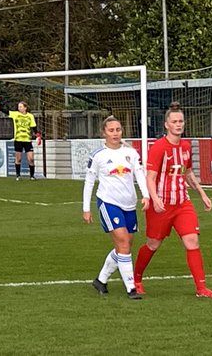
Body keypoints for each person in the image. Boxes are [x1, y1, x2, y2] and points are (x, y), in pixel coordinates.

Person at [132, 102, 212, 299]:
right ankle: (136, 279)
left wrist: (202, 194)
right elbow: (150, 178)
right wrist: (155, 199)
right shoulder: (159, 147)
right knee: (153, 244)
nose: (178, 124)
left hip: (182, 204)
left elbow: (188, 173)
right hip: (161, 205)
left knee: (192, 241)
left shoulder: (186, 147)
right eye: (174, 121)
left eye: (181, 121)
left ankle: (201, 288)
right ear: (166, 125)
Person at [82, 116, 149, 300]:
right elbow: (89, 182)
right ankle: (131, 288)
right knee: (123, 242)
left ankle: (101, 280)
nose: (115, 133)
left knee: (125, 245)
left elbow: (139, 175)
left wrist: (146, 195)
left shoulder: (131, 153)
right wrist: (86, 208)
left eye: (118, 130)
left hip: (129, 204)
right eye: (111, 130)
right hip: (108, 202)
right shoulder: (98, 156)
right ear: (104, 133)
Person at [0, 101, 37, 180]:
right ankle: (18, 175)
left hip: (27, 140)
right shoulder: (16, 114)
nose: (19, 108)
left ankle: (32, 176)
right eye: (18, 107)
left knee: (31, 159)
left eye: (21, 107)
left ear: (25, 108)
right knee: (18, 159)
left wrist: (37, 135)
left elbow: (34, 127)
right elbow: (5, 111)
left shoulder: (30, 116)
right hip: (18, 140)